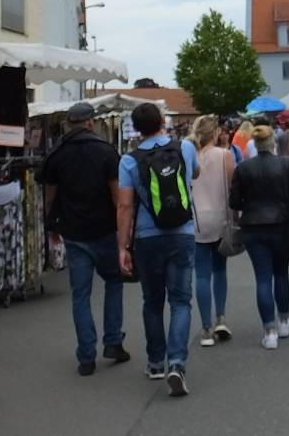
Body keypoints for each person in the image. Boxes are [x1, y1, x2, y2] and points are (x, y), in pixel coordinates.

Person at [41, 102, 129, 376]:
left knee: (80, 295)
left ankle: (86, 356)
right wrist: (123, 235)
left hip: (74, 233)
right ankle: (113, 341)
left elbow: (50, 195)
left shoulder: (57, 154)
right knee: (114, 282)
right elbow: (117, 197)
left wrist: (50, 222)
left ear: (69, 124)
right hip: (103, 230)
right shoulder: (106, 152)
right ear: (90, 123)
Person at [117, 103, 198, 397]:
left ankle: (154, 363)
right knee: (180, 301)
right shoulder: (185, 149)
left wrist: (123, 246)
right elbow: (196, 174)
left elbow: (125, 205)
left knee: (152, 301)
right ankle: (177, 362)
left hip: (147, 236)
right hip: (182, 233)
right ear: (163, 121)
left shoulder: (128, 161)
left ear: (136, 128)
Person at [228, 125, 289, 350]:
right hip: (280, 224)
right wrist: (286, 207)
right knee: (281, 273)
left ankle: (269, 331)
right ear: (272, 144)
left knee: (262, 277)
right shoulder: (285, 165)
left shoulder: (243, 168)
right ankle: (283, 321)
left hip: (252, 226)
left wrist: (248, 207)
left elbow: (234, 202)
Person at [189, 115, 236, 347]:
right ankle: (221, 318)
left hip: (196, 220)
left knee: (202, 274)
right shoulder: (225, 155)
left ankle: (206, 329)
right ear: (215, 133)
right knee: (220, 270)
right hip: (220, 218)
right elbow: (232, 188)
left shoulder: (189, 156)